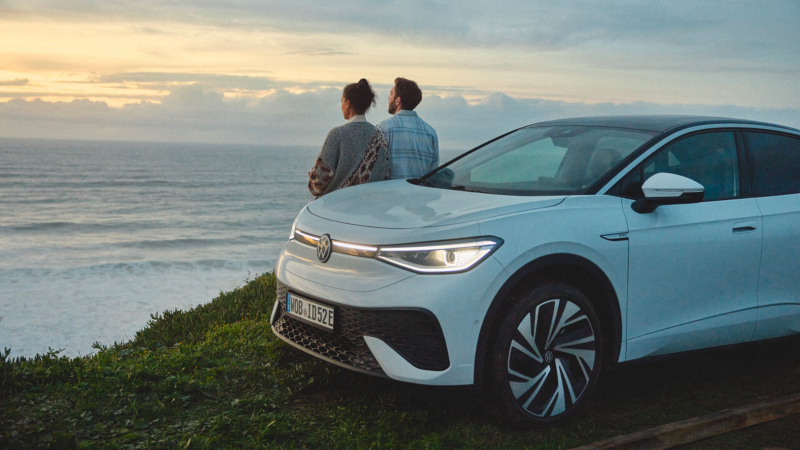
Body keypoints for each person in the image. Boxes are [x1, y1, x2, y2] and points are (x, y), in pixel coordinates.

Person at [308, 79, 390, 198]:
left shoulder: (337, 134)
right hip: (368, 208)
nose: (341, 106)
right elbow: (385, 176)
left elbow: (318, 181)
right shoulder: (380, 136)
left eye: (342, 102)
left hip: (336, 208)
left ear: (347, 103)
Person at [376, 77, 439, 180]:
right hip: (420, 194)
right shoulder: (430, 132)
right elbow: (433, 172)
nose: (388, 98)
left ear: (398, 101)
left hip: (391, 193)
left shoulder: (383, 128)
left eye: (391, 94)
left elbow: (377, 169)